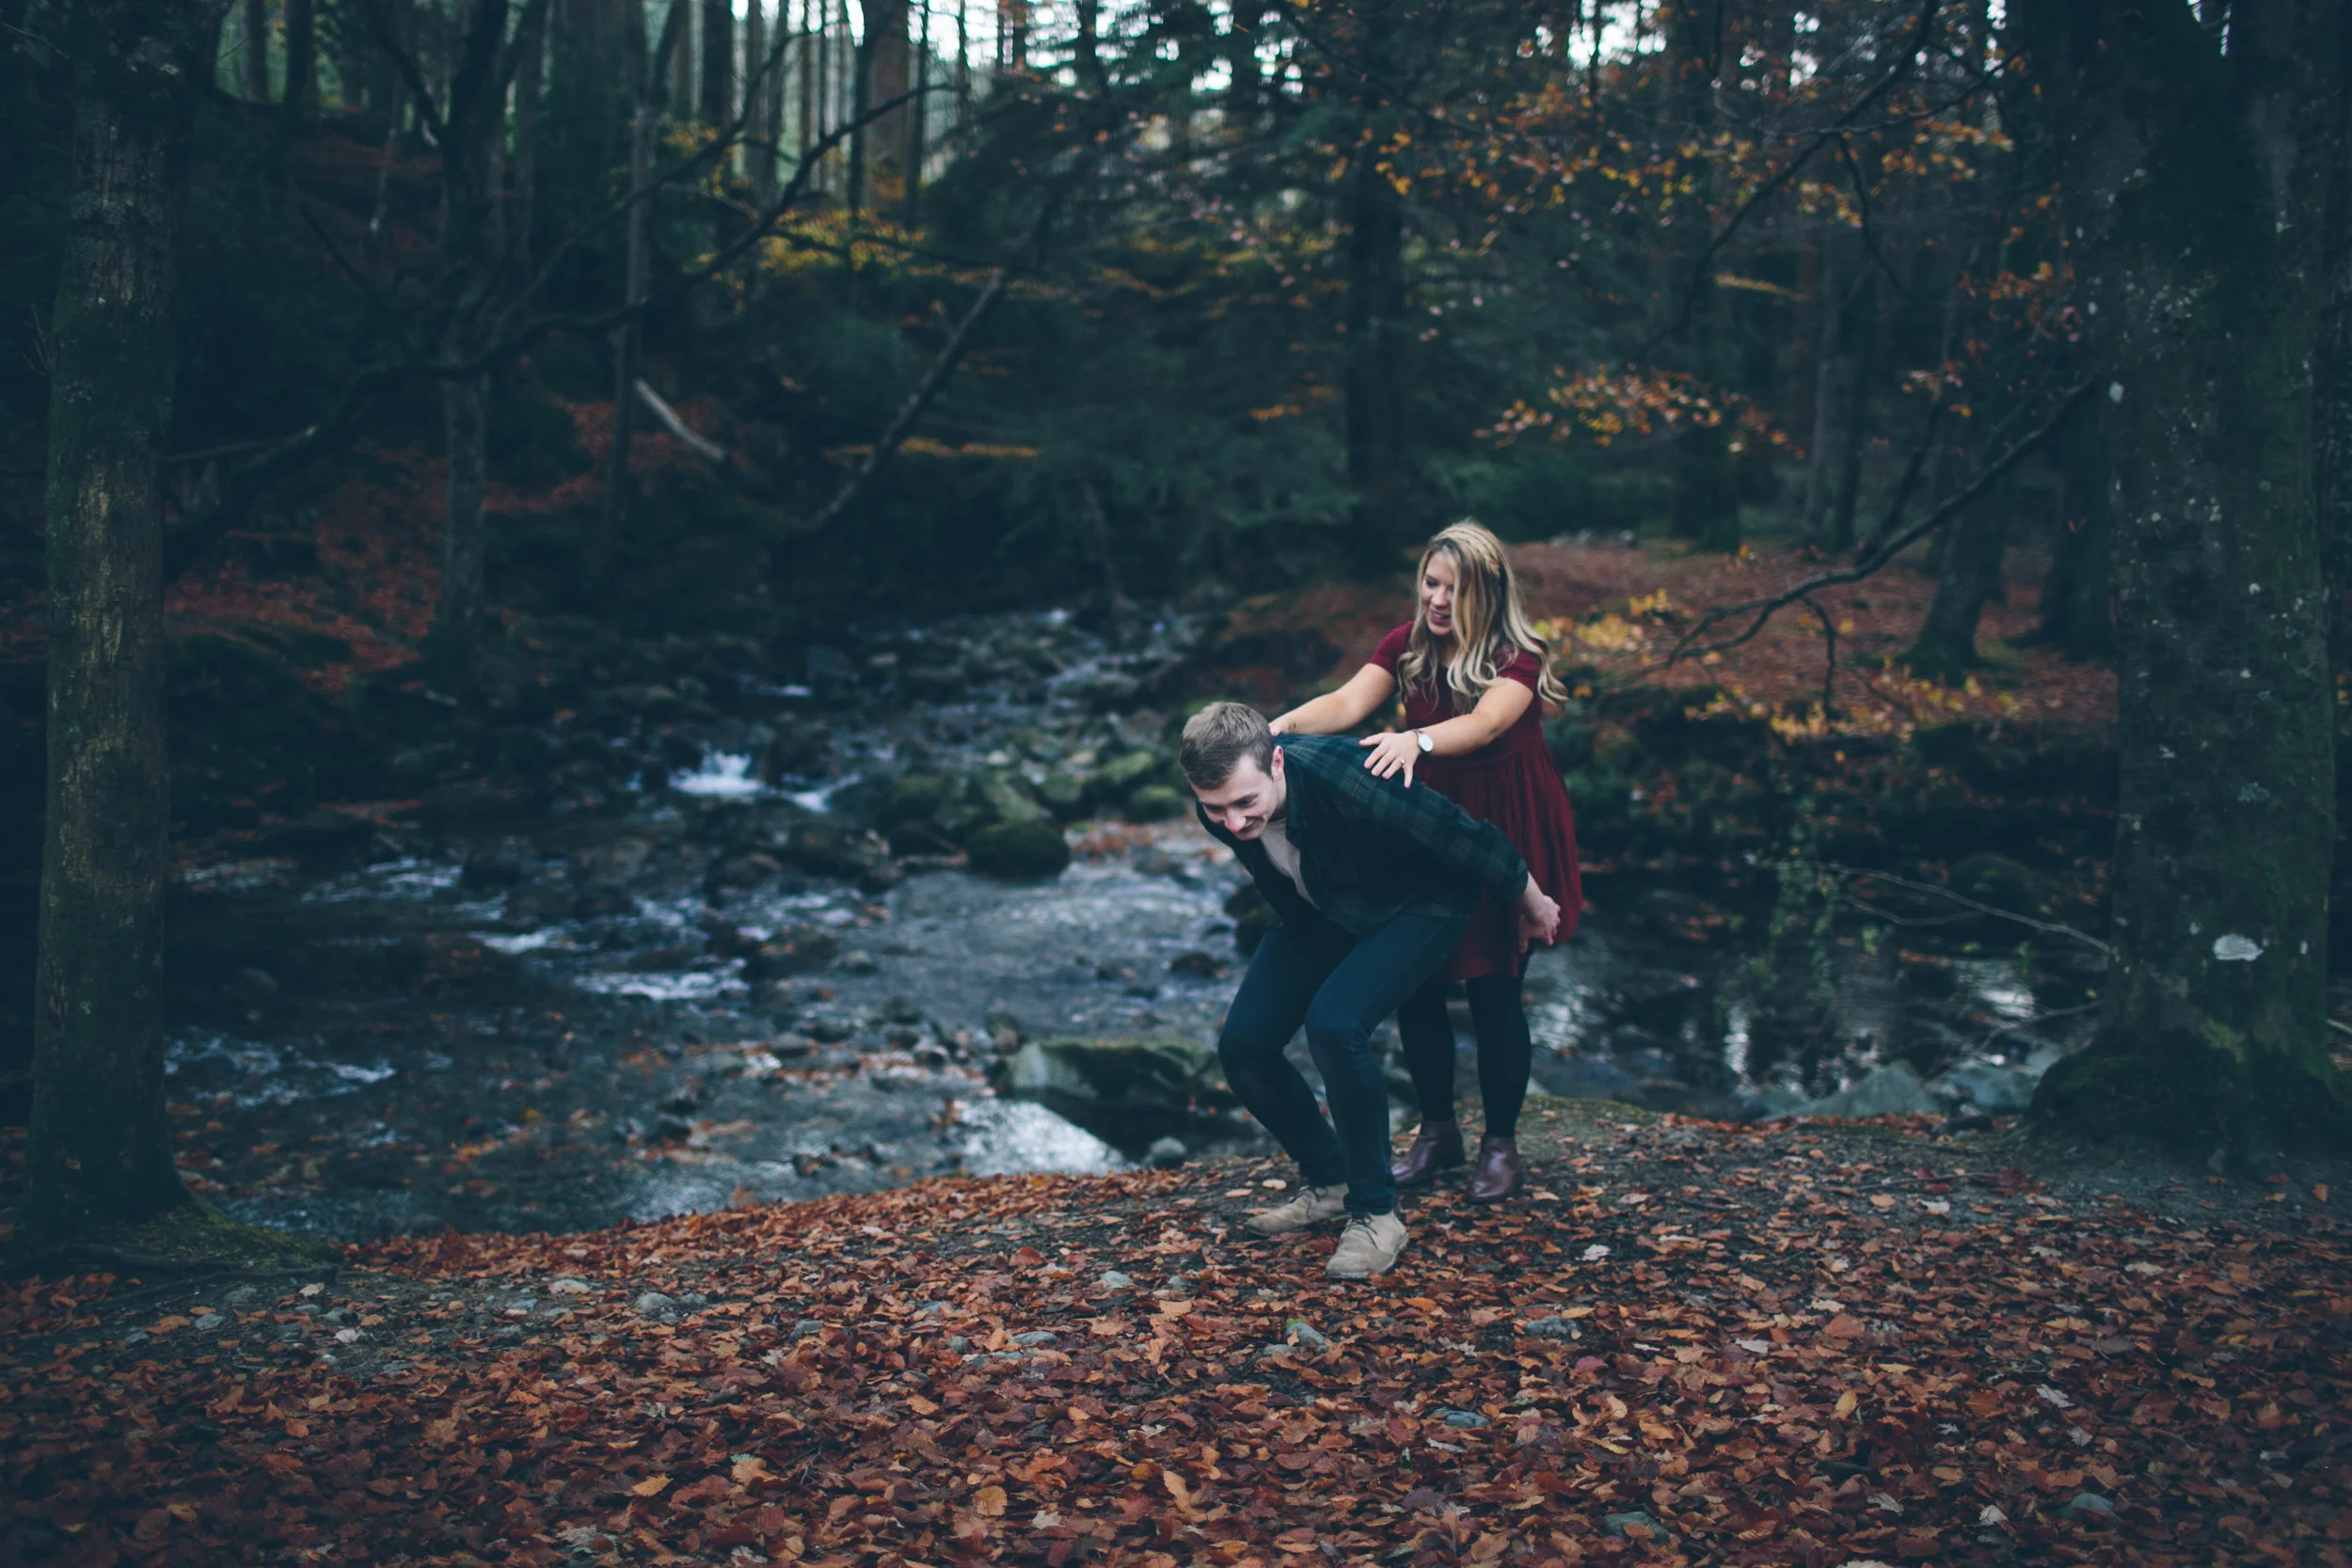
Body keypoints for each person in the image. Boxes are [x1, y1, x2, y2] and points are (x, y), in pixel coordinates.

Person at [1182, 701, 1562, 1279]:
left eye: (1245, 803)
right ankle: (1330, 1179)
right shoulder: (1222, 800)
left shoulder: (1350, 776)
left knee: (1335, 1025)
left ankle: (1376, 1214)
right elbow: (1276, 868)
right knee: (1244, 1045)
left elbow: (1468, 837)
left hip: (1423, 906)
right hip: (1328, 906)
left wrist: (1533, 904)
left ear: (1277, 763)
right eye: (1216, 809)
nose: (1232, 823)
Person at [1272, 520, 1581, 1203]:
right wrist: (1276, 729)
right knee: (1418, 981)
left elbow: (1489, 723)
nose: (1437, 599)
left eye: (1454, 587)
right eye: (1430, 582)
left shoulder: (1516, 654)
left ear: (1487, 591)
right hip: (1429, 825)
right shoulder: (1408, 644)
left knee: (1496, 985)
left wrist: (1417, 740)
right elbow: (1349, 702)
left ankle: (1501, 1145)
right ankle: (1438, 1132)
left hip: (1507, 819)